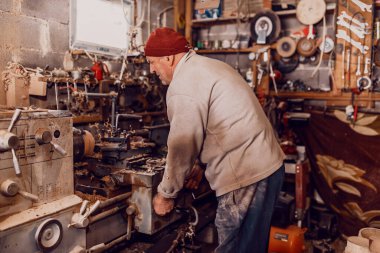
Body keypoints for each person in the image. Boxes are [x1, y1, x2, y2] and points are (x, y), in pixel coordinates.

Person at [145, 27, 285, 253]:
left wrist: (166, 194)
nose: (151, 69)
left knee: (233, 247)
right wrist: (200, 165)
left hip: (245, 174)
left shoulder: (183, 85)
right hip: (269, 166)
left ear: (169, 58)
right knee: (252, 246)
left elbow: (182, 145)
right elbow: (220, 121)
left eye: (152, 62)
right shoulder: (211, 66)